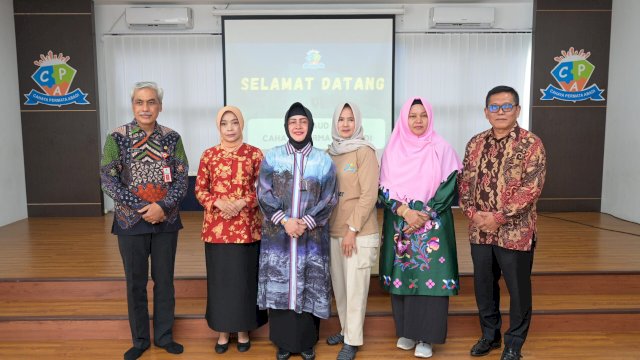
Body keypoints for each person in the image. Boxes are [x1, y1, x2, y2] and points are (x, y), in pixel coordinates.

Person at [100, 81, 188, 360]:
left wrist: (161, 206)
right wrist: (143, 208)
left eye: (151, 102)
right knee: (135, 282)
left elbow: (183, 178)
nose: (146, 107)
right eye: (140, 102)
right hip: (130, 222)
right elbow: (107, 179)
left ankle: (164, 336)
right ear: (133, 106)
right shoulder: (117, 137)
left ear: (160, 107)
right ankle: (140, 340)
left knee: (164, 280)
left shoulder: (172, 137)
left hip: (166, 220)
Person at [458, 85, 546, 360]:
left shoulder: (531, 144)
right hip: (479, 232)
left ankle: (514, 343)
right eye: (494, 107)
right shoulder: (475, 143)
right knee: (484, 286)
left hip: (515, 233)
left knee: (518, 289)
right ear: (486, 112)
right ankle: (490, 336)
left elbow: (531, 189)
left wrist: (497, 218)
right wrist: (473, 214)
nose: (500, 112)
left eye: (506, 106)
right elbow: (463, 183)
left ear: (517, 110)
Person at [378, 97, 462, 359]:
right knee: (403, 277)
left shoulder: (442, 148)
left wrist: (424, 214)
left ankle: (427, 337)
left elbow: (450, 184)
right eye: (412, 115)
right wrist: (404, 211)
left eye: (423, 115)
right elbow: (382, 188)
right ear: (404, 118)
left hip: (432, 225)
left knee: (431, 280)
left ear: (430, 118)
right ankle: (406, 331)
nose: (417, 120)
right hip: (400, 221)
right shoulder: (392, 149)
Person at [257, 102, 338, 360]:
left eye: (303, 121)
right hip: (278, 236)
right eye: (293, 122)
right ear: (286, 126)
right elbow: (263, 191)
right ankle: (282, 342)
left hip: (311, 238)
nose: (298, 126)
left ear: (311, 125)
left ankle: (306, 342)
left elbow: (330, 198)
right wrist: (285, 221)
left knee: (309, 283)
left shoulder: (323, 160)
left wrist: (304, 222)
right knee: (281, 284)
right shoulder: (273, 156)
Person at [194, 105, 268, 354]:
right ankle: (223, 331)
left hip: (247, 228)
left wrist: (240, 204)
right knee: (221, 282)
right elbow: (200, 189)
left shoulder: (255, 154)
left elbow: (264, 188)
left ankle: (245, 330)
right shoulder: (209, 155)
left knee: (245, 281)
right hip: (216, 229)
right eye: (224, 123)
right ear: (218, 127)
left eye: (234, 122)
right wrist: (219, 203)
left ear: (242, 124)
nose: (230, 128)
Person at [326, 102, 380, 360]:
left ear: (357, 122)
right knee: (341, 286)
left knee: (356, 288)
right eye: (341, 119)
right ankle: (346, 329)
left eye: (350, 119)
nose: (346, 124)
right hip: (333, 231)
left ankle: (352, 340)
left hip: (358, 233)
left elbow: (369, 195)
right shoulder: (329, 152)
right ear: (335, 122)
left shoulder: (365, 151)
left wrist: (352, 229)